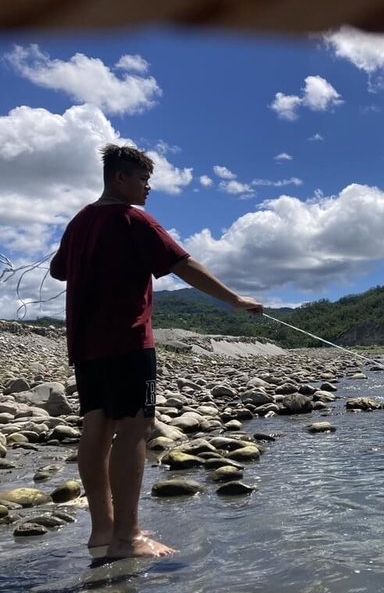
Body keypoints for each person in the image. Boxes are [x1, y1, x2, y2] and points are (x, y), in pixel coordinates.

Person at [50, 144, 263, 559]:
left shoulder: (80, 221)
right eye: (144, 180)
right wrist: (235, 300)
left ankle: (102, 532)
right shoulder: (134, 219)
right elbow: (182, 264)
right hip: (128, 341)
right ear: (120, 178)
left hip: (86, 345)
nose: (148, 189)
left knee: (96, 429)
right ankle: (128, 536)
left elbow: (59, 269)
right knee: (135, 429)